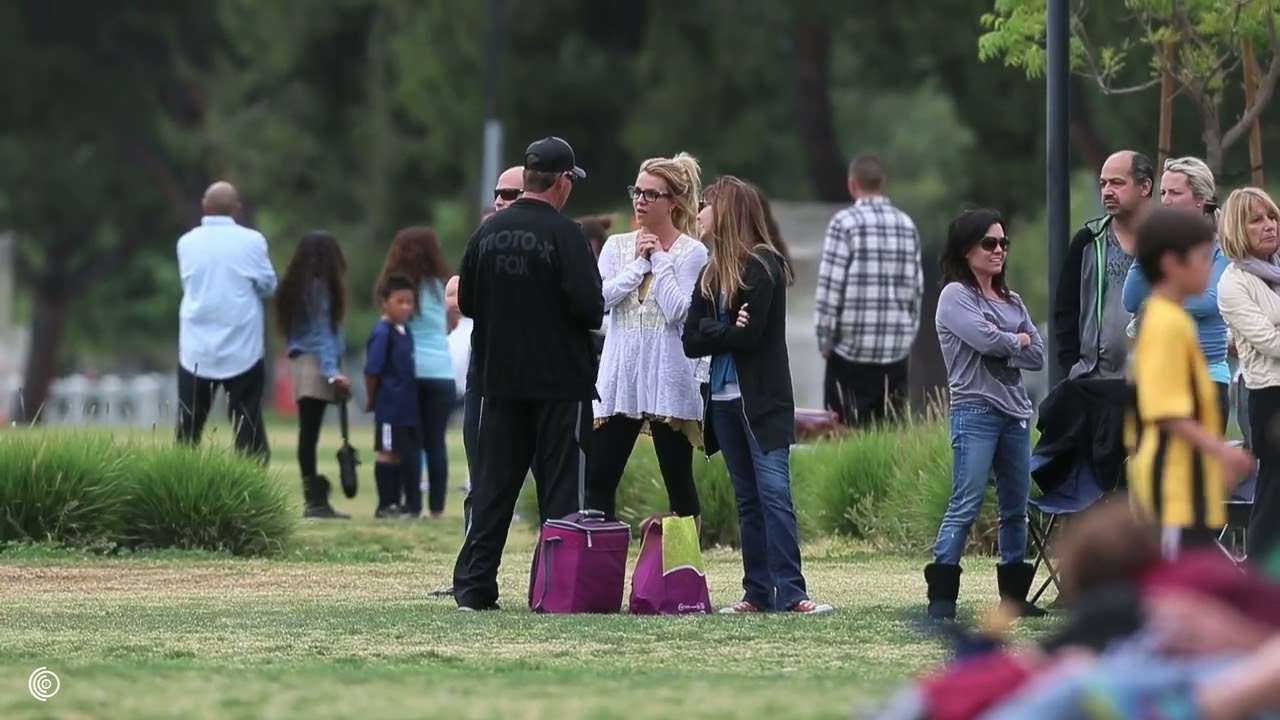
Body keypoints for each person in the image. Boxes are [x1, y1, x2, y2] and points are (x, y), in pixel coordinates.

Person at [451, 137, 603, 611]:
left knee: (493, 488)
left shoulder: (487, 234)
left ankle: (474, 587)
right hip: (559, 384)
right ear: (561, 182)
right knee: (561, 493)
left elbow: (470, 303)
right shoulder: (567, 235)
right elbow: (591, 308)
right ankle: (554, 590)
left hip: (498, 382)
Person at [682, 176, 834, 615]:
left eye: (705, 205)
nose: (698, 215)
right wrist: (727, 328)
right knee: (747, 500)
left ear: (726, 210)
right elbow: (691, 338)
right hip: (724, 403)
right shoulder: (710, 272)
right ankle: (755, 593)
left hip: (760, 402)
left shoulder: (762, 266)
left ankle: (792, 591)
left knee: (773, 495)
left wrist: (718, 330)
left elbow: (752, 341)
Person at [925, 209, 1046, 621]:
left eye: (1003, 244)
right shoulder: (955, 296)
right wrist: (1016, 338)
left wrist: (1006, 341)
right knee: (966, 500)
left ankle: (1013, 598)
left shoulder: (1012, 300)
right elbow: (984, 339)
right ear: (966, 249)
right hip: (974, 411)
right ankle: (942, 596)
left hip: (1015, 415)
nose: (999, 251)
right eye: (989, 243)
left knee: (1016, 506)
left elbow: (1039, 355)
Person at [588, 153, 707, 525]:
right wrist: (638, 265)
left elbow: (678, 312)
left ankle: (683, 574)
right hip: (620, 378)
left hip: (668, 380)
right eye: (636, 192)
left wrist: (659, 261)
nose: (640, 200)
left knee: (679, 484)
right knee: (598, 481)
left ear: (673, 201)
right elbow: (599, 300)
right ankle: (598, 570)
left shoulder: (693, 252)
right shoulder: (617, 247)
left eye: (651, 194)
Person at [1130, 206, 1254, 558]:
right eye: (1203, 258)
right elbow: (1166, 411)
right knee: (1170, 586)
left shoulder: (1178, 320)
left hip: (1189, 477)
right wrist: (1221, 453)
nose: (1210, 267)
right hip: (1171, 480)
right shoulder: (1164, 322)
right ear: (1171, 264)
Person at [813, 154, 922, 428]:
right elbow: (916, 290)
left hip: (850, 354)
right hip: (894, 353)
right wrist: (906, 337)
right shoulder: (907, 225)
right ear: (882, 182)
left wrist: (825, 341)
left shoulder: (844, 223)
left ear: (852, 184)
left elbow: (830, 287)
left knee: (841, 437)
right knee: (890, 442)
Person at [1122, 156, 1230, 429]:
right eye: (1163, 193)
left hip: (1208, 375)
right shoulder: (1160, 248)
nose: (1165, 201)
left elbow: (1208, 301)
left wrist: (1161, 294)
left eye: (1175, 192)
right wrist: (1148, 246)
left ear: (1200, 199)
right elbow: (1130, 300)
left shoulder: (1220, 247)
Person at [176, 181, 278, 460]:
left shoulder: (186, 243)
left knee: (189, 427)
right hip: (241, 345)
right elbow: (268, 285)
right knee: (247, 422)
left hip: (196, 347)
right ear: (237, 209)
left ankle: (178, 488)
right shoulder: (252, 241)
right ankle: (249, 490)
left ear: (204, 206)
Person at [1216, 187, 1280, 560]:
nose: (1269, 225)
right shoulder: (1233, 283)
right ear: (1238, 229)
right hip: (1270, 397)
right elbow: (1270, 343)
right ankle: (1258, 580)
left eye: (1271, 216)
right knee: (1273, 495)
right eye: (1256, 220)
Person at [376, 226, 455, 520]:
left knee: (411, 440)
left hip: (410, 372)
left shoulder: (400, 290)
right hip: (443, 373)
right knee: (436, 442)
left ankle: (413, 506)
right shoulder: (439, 284)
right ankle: (437, 508)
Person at [1054, 150, 1153, 380]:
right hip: (1096, 381)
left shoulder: (1168, 240)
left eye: (1117, 183)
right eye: (1103, 184)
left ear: (1145, 187)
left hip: (1154, 381)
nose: (1108, 191)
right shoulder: (1088, 240)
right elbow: (1065, 309)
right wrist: (1073, 368)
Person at [276, 231, 350, 519]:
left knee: (307, 433)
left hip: (303, 359)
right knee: (309, 432)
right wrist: (332, 372)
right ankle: (314, 500)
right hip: (315, 363)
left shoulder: (299, 287)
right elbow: (321, 334)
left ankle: (314, 496)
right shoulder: (318, 289)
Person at [363, 272, 420, 519]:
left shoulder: (405, 331)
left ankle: (396, 503)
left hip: (405, 406)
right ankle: (385, 504)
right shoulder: (383, 332)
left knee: (399, 453)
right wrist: (372, 399)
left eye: (409, 302)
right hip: (389, 405)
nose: (406, 307)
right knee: (387, 452)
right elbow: (372, 370)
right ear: (385, 301)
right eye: (400, 301)